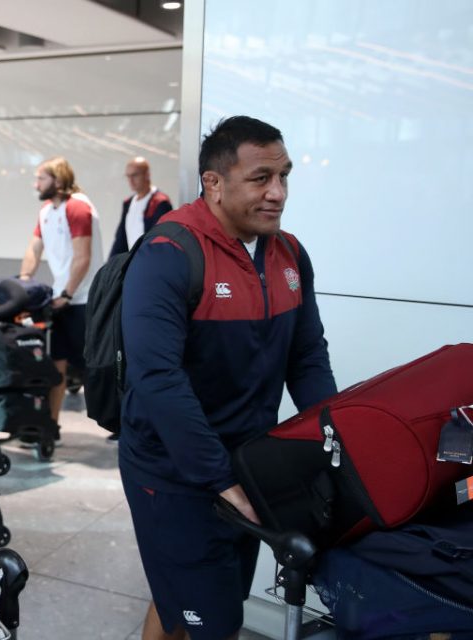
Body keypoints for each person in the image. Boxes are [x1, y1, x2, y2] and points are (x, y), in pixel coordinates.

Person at [119, 116, 337, 640]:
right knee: (212, 619)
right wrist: (219, 477)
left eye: (283, 176)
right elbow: (158, 377)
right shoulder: (169, 253)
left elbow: (306, 357)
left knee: (195, 597)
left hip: (246, 462)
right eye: (261, 178)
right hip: (172, 470)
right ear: (213, 183)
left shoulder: (289, 254)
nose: (278, 193)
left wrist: (336, 437)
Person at [19, 156, 103, 432]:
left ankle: (117, 423)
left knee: (94, 367)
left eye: (41, 178)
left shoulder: (78, 207)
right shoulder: (46, 210)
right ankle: (51, 425)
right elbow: (34, 249)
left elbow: (83, 257)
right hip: (62, 298)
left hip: (84, 299)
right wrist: (22, 283)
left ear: (57, 180)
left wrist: (67, 295)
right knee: (56, 365)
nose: (35, 184)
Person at [108, 157, 173, 257]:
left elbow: (159, 241)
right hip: (132, 264)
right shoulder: (128, 203)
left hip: (149, 263)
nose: (130, 180)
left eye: (135, 175)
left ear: (147, 175)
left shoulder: (160, 203)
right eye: (128, 176)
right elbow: (121, 240)